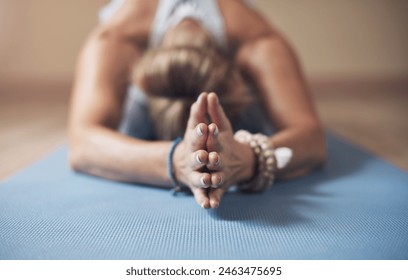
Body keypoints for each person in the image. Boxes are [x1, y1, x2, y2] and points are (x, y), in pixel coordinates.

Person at [68, 0, 327, 209]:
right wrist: (178, 161)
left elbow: (312, 139)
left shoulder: (256, 40)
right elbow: (82, 144)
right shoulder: (116, 39)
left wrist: (244, 159)